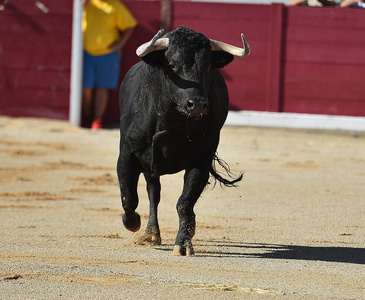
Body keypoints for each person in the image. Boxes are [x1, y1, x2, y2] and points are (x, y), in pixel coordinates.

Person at [81, 0, 137, 129]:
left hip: (108, 54)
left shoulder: (114, 5)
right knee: (85, 88)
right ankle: (86, 115)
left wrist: (119, 44)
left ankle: (97, 119)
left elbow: (130, 25)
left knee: (102, 88)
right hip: (85, 53)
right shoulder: (87, 3)